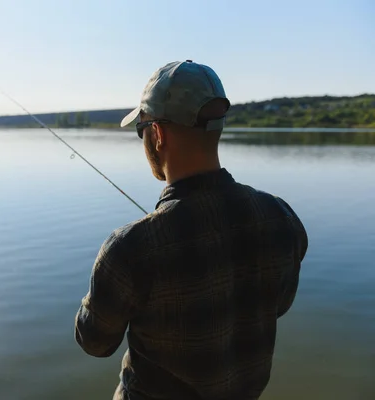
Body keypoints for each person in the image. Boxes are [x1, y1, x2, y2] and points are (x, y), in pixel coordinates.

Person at [74, 60, 309, 400]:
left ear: (157, 134)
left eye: (142, 128)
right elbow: (279, 305)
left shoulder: (128, 249)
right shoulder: (282, 218)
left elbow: (94, 341)